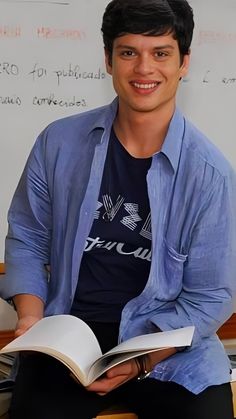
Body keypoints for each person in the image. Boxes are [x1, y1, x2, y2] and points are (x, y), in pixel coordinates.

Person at [1, 0, 236, 418]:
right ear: (108, 60)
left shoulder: (211, 175)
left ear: (184, 62)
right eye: (129, 52)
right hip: (67, 338)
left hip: (166, 348)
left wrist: (143, 360)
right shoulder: (58, 143)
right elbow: (28, 236)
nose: (144, 69)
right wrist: (31, 318)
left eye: (160, 53)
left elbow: (211, 295)